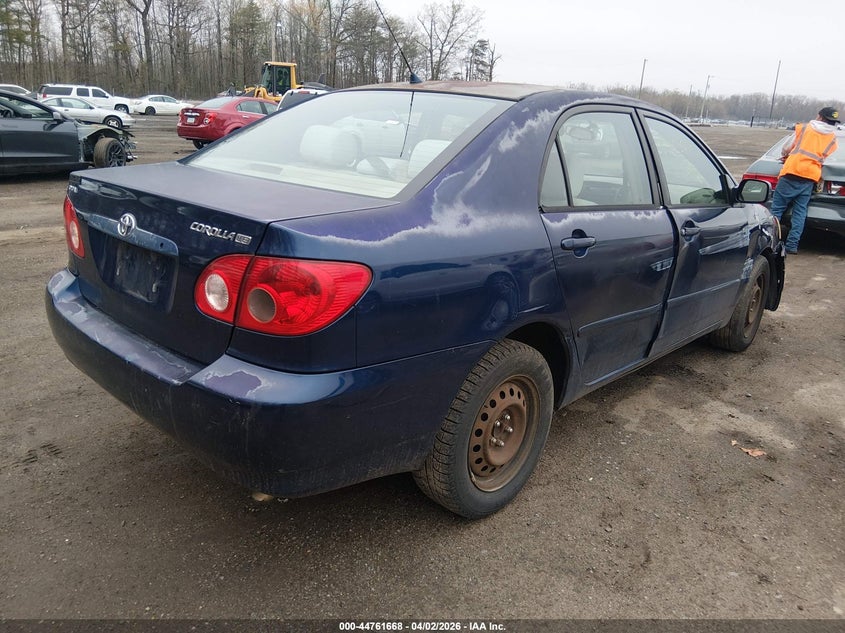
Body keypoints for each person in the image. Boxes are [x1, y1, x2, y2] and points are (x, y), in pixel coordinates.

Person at [770, 107, 839, 253]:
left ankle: (771, 241)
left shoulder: (804, 128)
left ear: (819, 116)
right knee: (800, 213)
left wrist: (786, 154)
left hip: (792, 171)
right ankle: (792, 246)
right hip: (810, 176)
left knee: (776, 209)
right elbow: (824, 156)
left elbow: (787, 149)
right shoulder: (832, 138)